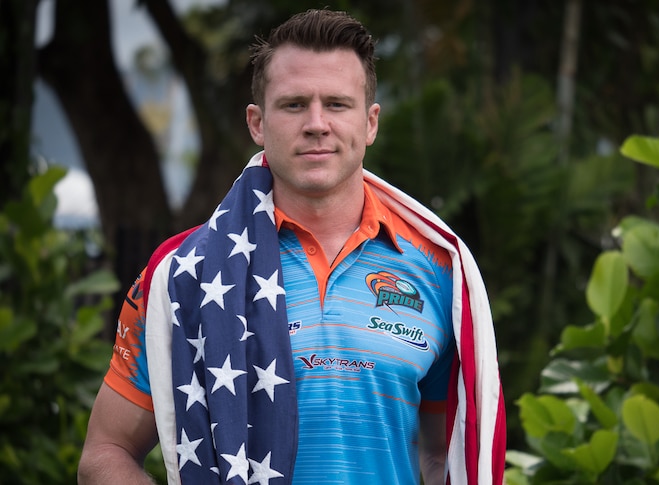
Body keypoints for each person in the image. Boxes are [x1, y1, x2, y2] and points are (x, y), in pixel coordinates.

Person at [77, 8, 506, 485]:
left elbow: (443, 457)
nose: (317, 123)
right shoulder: (184, 275)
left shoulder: (439, 272)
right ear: (258, 123)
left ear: (370, 123)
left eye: (338, 104)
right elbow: (105, 453)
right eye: (295, 104)